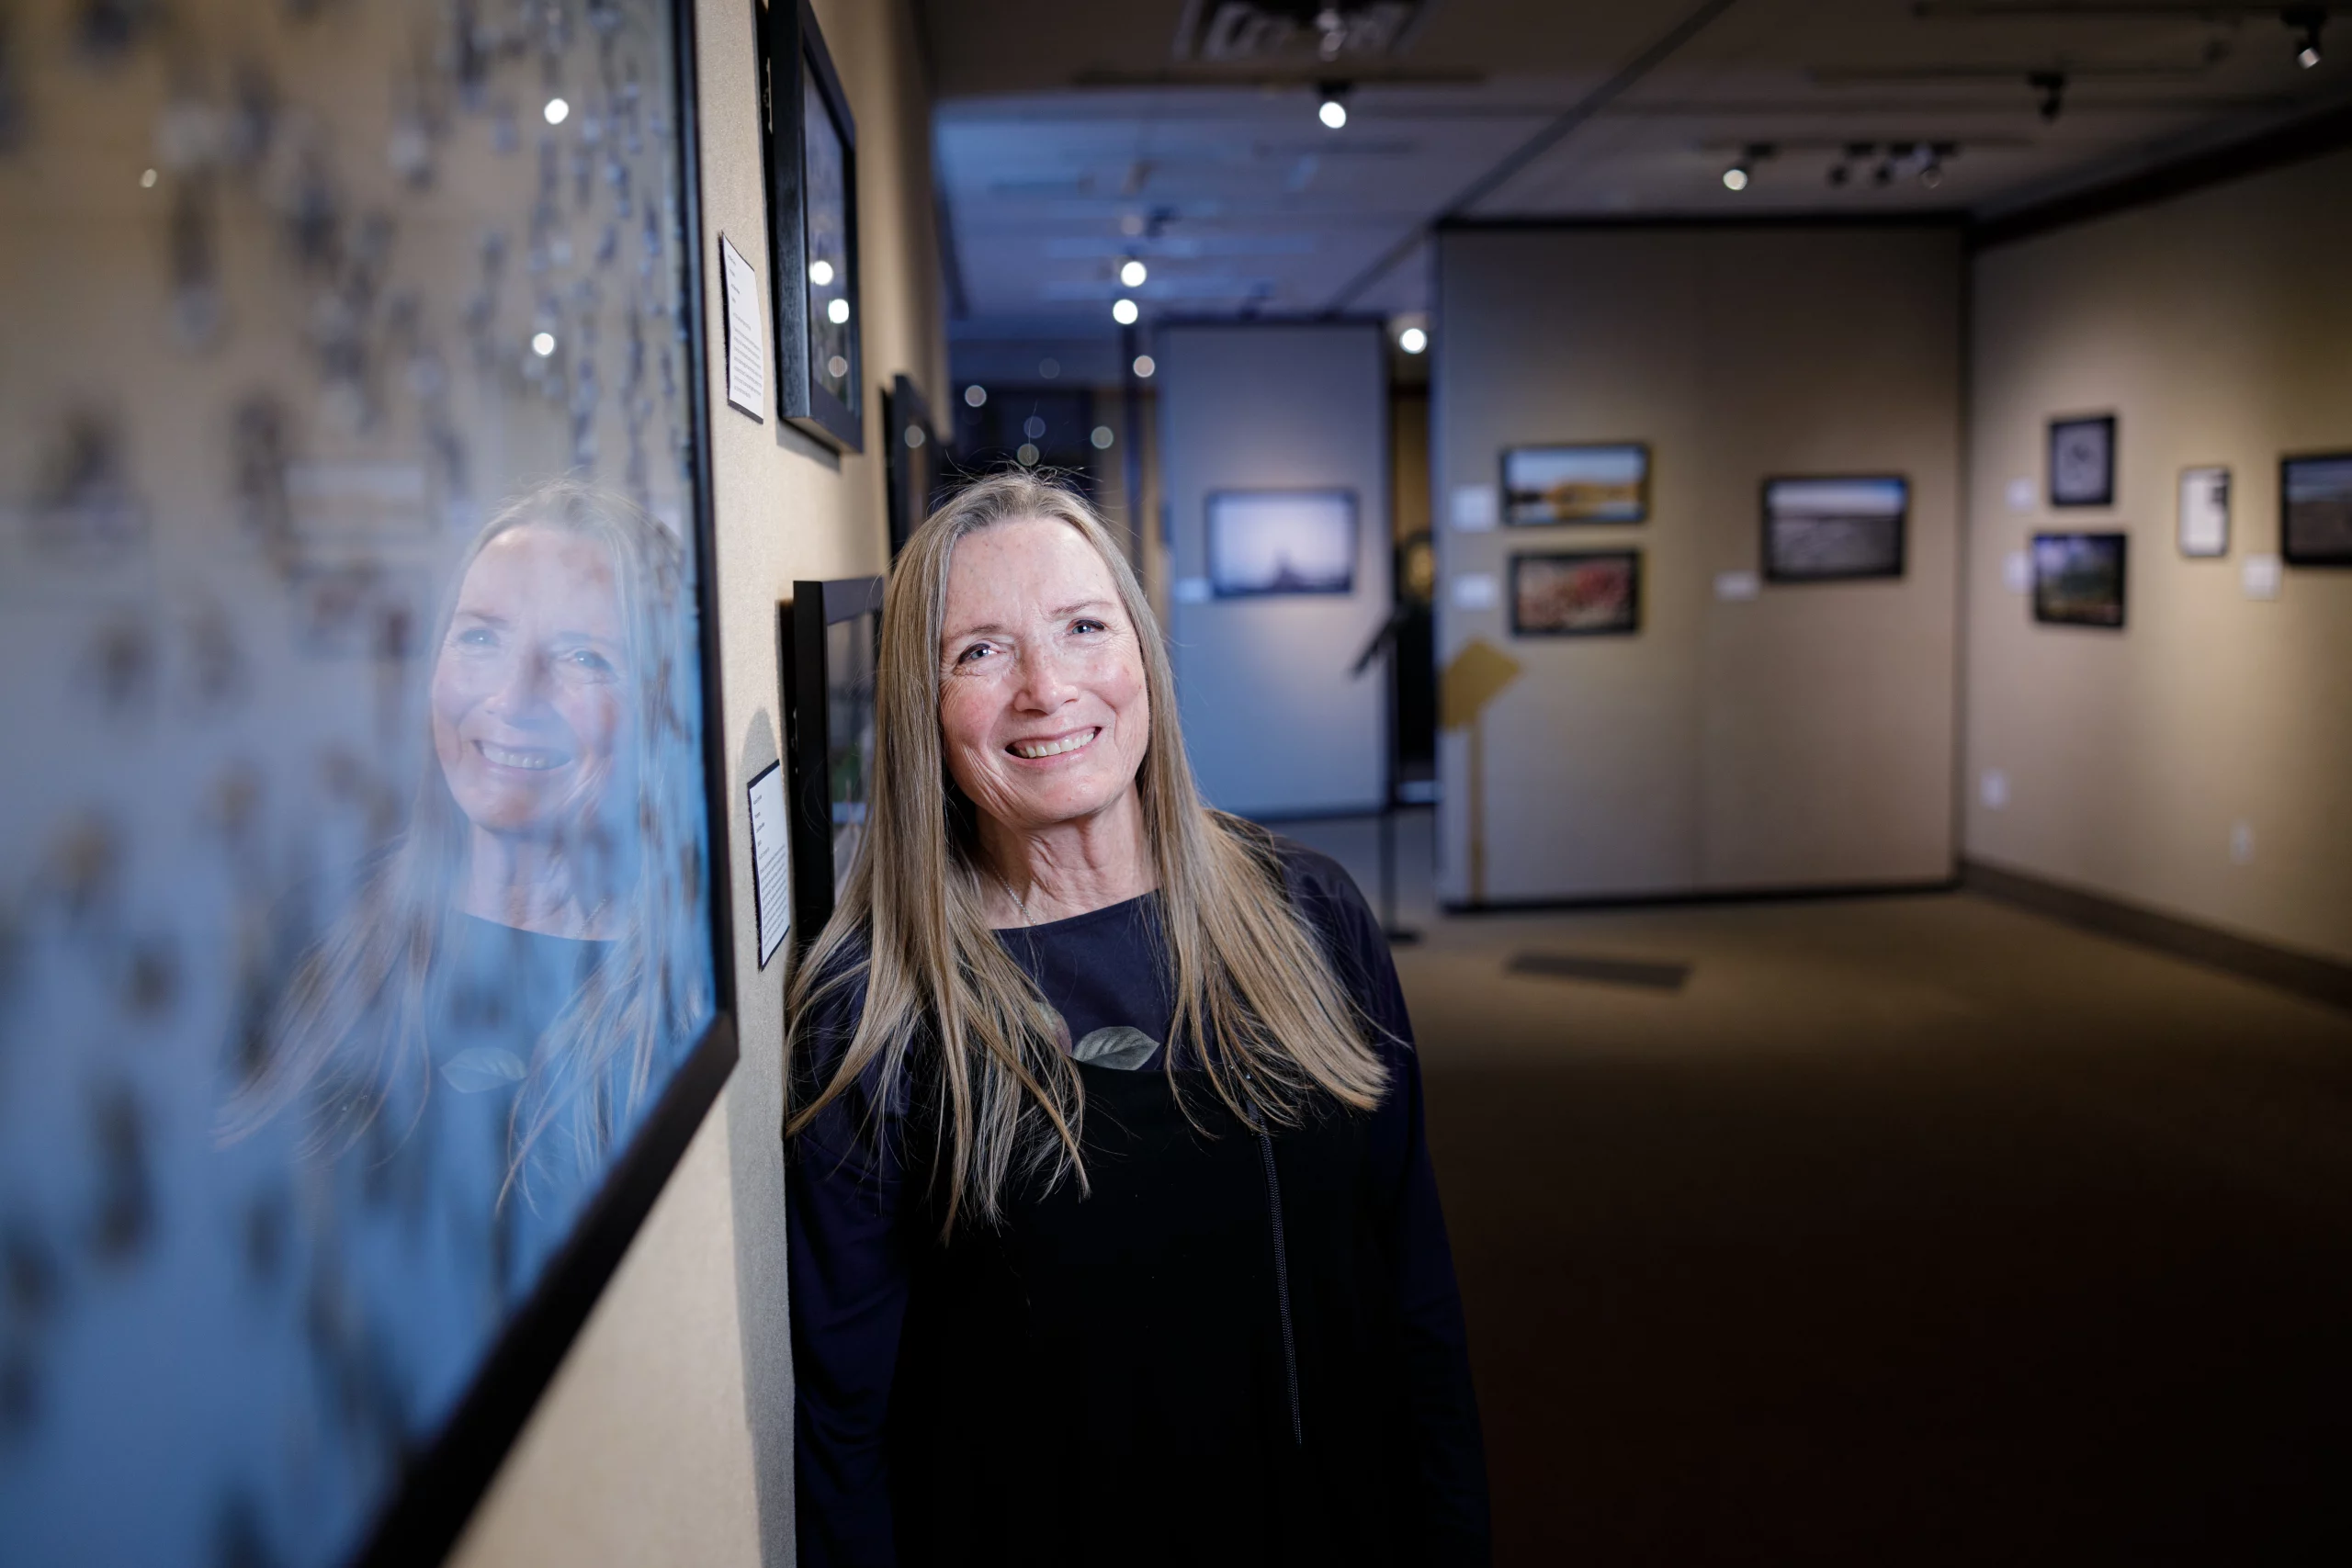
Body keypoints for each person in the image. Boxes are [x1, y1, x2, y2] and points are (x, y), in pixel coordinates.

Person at [786, 472, 1489, 1567]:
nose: (1046, 688)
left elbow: (1415, 1290)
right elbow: (846, 1418)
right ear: (919, 706)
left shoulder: (1309, 911)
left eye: (1080, 628)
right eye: (979, 651)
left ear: (1142, 656)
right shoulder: (875, 1009)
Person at [223, 477, 711, 1297]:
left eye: (585, 657)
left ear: (659, 704)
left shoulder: (692, 998)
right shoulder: (311, 928)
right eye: (481, 637)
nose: (512, 696)